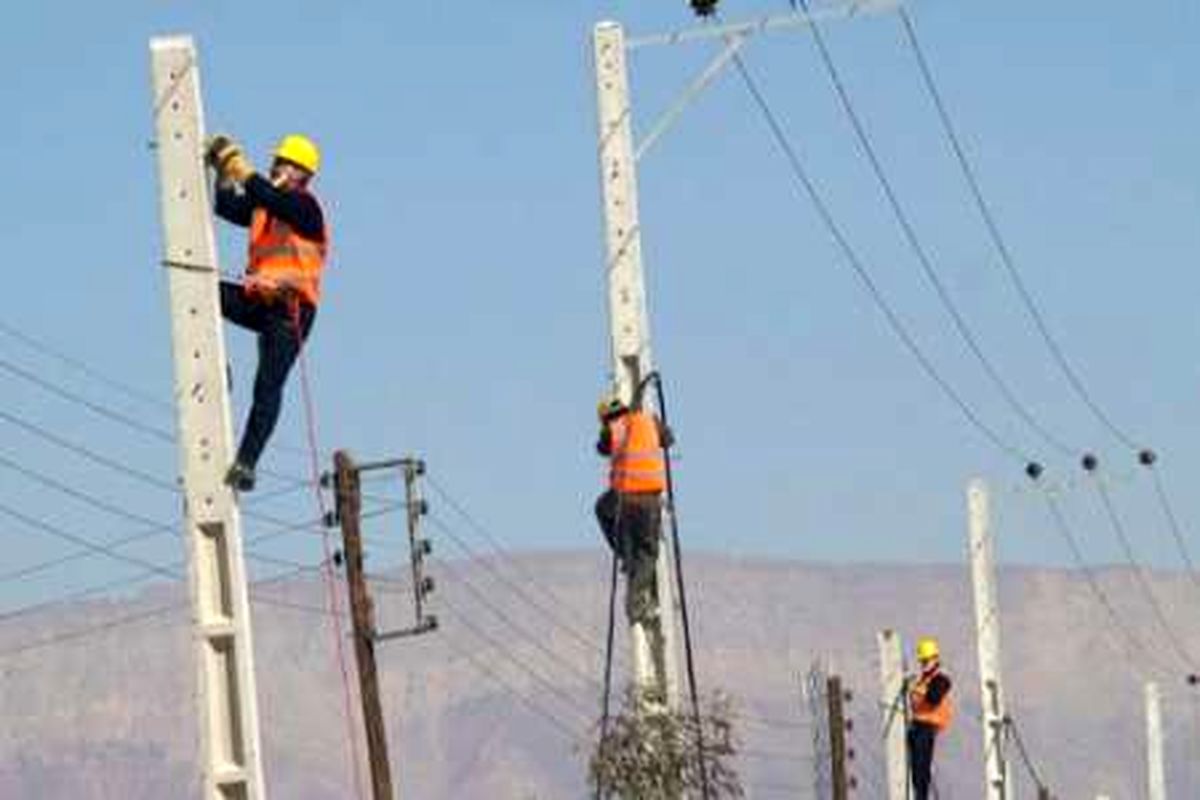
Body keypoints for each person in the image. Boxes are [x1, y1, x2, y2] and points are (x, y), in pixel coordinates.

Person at [204, 133, 329, 492]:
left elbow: (269, 197)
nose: (276, 167)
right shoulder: (265, 208)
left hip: (292, 312)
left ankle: (246, 463)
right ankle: (212, 360)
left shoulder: (305, 208)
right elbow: (228, 207)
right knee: (203, 295)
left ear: (302, 175)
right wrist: (222, 175)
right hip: (260, 301)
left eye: (283, 164)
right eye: (275, 162)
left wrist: (240, 169)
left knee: (267, 385)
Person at [593, 393, 673, 627]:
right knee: (648, 553)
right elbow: (668, 439)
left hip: (624, 500)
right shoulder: (649, 421)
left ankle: (628, 566)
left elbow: (601, 447)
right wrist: (657, 425)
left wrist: (605, 429)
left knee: (604, 512)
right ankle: (638, 600)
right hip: (648, 501)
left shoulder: (614, 429)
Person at [908, 636, 954, 800]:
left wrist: (917, 690)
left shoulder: (941, 679)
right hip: (917, 726)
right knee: (916, 771)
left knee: (921, 769)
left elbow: (933, 698)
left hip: (928, 728)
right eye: (922, 661)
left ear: (935, 658)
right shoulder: (922, 680)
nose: (924, 664)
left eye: (926, 660)